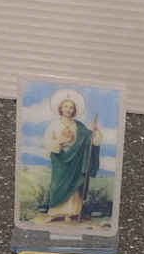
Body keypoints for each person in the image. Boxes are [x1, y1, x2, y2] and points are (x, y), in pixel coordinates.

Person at [41, 94, 101, 222]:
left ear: (74, 110)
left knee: (74, 186)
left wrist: (95, 132)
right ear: (61, 108)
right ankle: (54, 213)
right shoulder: (54, 124)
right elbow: (47, 141)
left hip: (76, 159)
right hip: (59, 158)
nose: (68, 109)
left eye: (71, 107)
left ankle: (69, 213)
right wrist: (60, 141)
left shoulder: (79, 125)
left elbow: (89, 138)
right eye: (66, 106)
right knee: (57, 185)